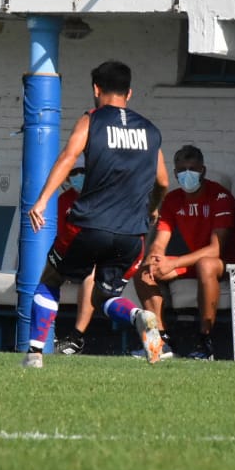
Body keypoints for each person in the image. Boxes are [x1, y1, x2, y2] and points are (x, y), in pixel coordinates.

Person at [24, 59, 170, 368]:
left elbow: (68, 157)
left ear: (96, 89)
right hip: (132, 233)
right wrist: (153, 208)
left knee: (51, 279)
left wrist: (42, 200)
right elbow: (163, 182)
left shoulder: (92, 119)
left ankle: (34, 353)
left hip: (89, 225)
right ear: (129, 93)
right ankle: (139, 316)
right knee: (104, 296)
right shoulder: (150, 130)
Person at [134, 144, 235, 361]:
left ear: (203, 170)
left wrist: (173, 263)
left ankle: (205, 341)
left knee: (206, 264)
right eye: (182, 170)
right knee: (145, 271)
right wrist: (155, 258)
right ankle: (160, 341)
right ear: (175, 173)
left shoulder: (220, 196)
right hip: (194, 261)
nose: (187, 174)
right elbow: (160, 240)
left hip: (225, 263)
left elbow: (215, 250)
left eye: (192, 169)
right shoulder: (173, 199)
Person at [52, 166, 95, 356]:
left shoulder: (100, 197)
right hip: (69, 254)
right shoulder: (64, 200)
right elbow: (59, 234)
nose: (78, 177)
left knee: (91, 276)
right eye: (73, 174)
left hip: (94, 256)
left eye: (82, 173)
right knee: (46, 274)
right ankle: (48, 334)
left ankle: (76, 338)